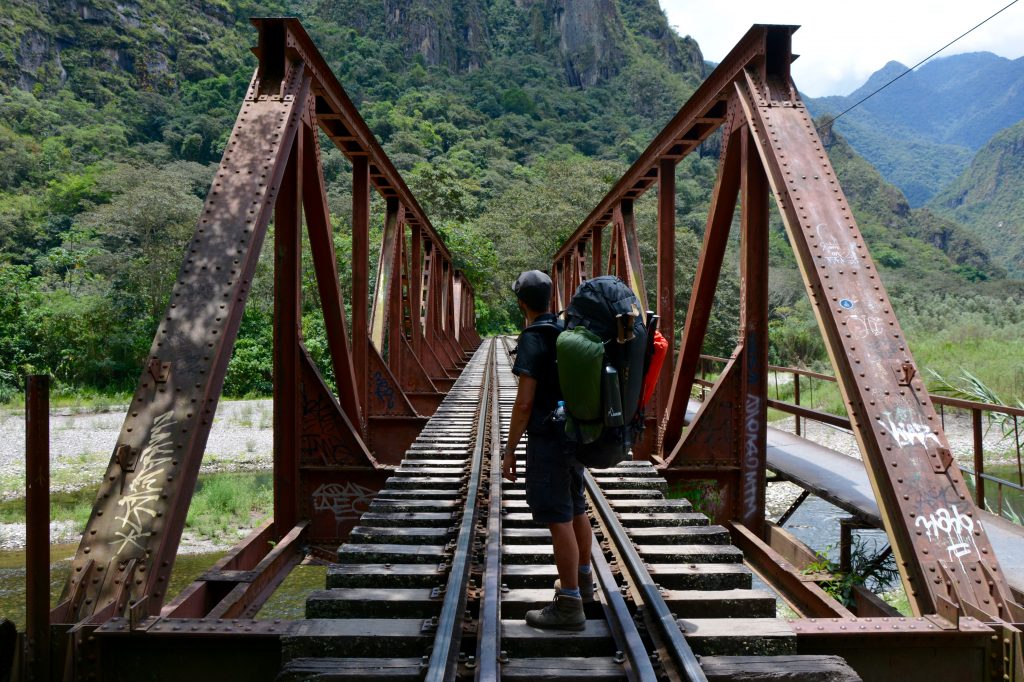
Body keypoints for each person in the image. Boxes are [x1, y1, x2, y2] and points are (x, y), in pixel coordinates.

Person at [501, 270, 593, 631]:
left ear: (522, 302)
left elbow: (523, 404)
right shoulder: (565, 333)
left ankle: (569, 603)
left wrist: (510, 451)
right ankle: (583, 581)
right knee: (576, 508)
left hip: (547, 440)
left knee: (558, 518)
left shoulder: (533, 338)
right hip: (571, 435)